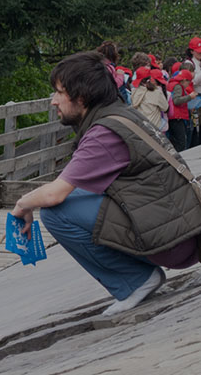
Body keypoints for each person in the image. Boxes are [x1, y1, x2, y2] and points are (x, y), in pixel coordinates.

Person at [11, 51, 201, 316]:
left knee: (56, 213)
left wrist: (21, 205)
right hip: (185, 230)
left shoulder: (103, 133)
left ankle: (134, 281)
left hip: (170, 242)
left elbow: (54, 194)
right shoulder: (121, 115)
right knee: (74, 195)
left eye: (58, 92)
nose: (53, 101)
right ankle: (136, 278)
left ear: (81, 97)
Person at [166, 64, 194, 151]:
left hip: (171, 116)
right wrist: (190, 97)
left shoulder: (171, 83)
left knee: (175, 140)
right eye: (188, 82)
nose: (188, 85)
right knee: (181, 141)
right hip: (177, 116)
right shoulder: (178, 86)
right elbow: (176, 100)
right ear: (184, 80)